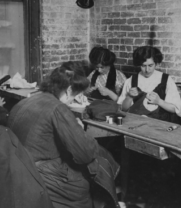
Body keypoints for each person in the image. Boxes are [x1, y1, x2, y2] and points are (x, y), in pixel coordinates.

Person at [8, 62, 119, 208]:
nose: (73, 100)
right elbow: (85, 153)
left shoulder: (28, 101)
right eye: (74, 96)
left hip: (18, 167)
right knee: (96, 163)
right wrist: (80, 130)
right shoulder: (58, 108)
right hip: (43, 174)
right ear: (68, 91)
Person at [118, 46, 181, 124]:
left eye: (150, 65)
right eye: (143, 66)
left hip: (160, 124)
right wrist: (129, 97)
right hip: (137, 123)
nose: (147, 70)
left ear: (156, 63)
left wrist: (159, 101)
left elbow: (175, 110)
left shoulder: (166, 80)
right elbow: (122, 109)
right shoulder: (131, 80)